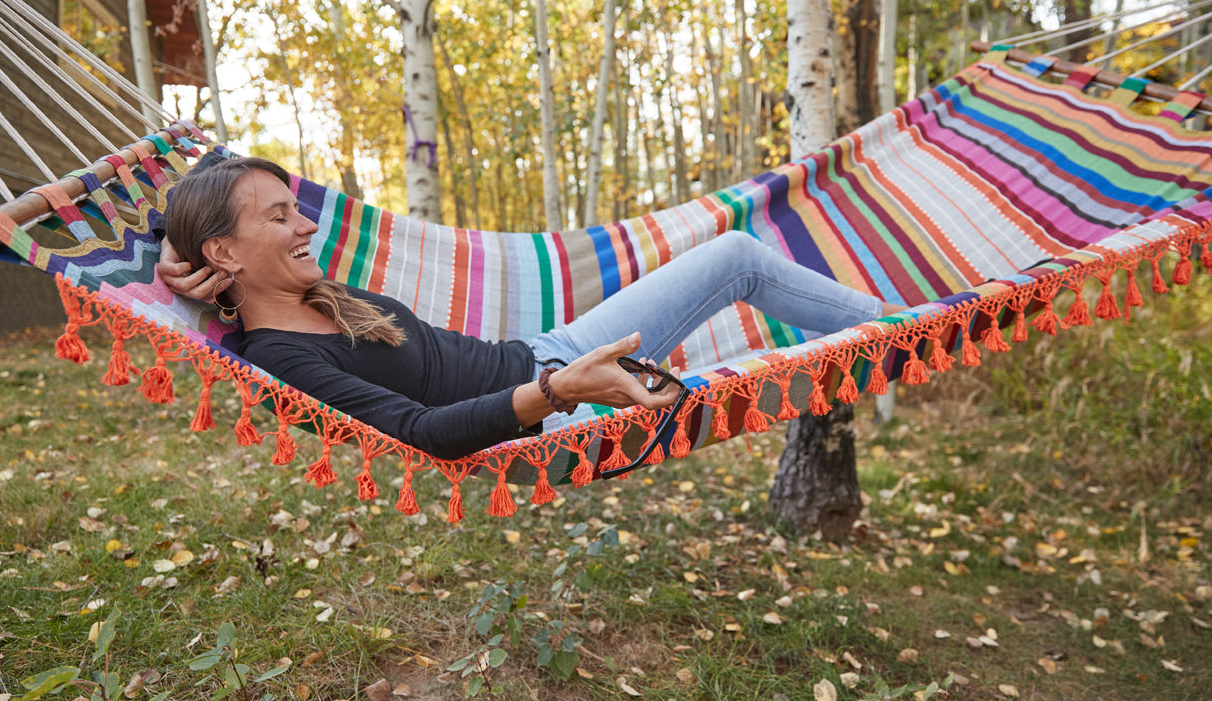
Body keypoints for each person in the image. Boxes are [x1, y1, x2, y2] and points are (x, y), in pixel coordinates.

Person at [159, 157, 901, 460]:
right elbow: (420, 436)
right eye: (281, 217)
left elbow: (201, 181)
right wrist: (558, 391)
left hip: (544, 350)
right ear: (224, 253)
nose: (306, 226)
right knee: (736, 259)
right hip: (550, 397)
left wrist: (170, 245)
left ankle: (907, 324)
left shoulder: (311, 288)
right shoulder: (280, 355)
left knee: (734, 255)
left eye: (299, 212)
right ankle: (903, 328)